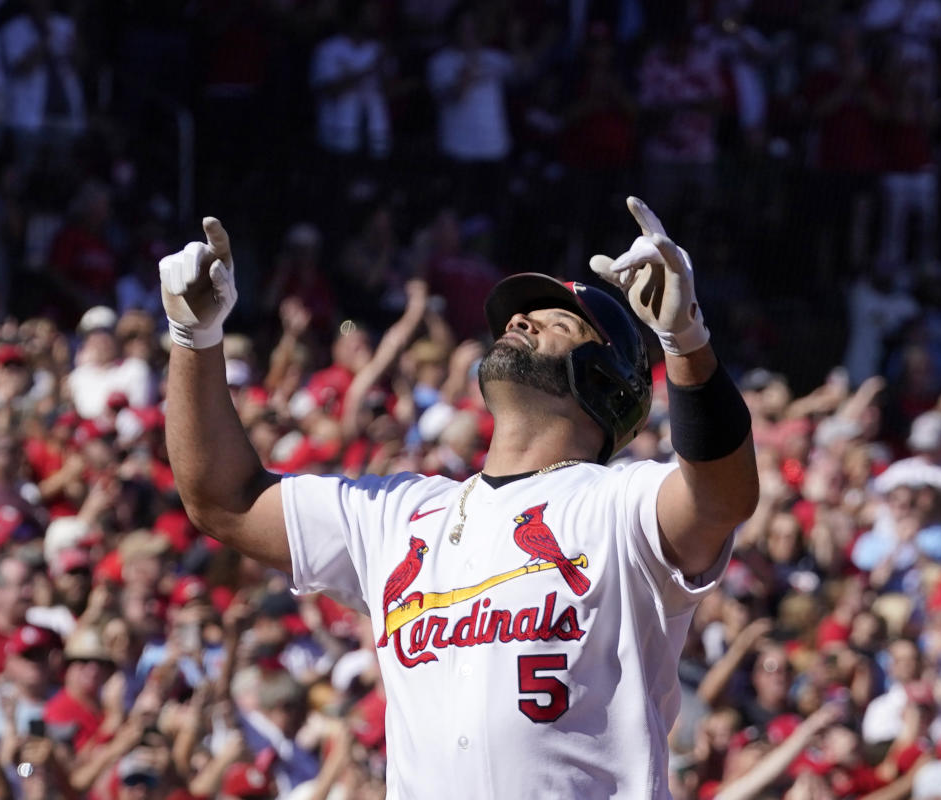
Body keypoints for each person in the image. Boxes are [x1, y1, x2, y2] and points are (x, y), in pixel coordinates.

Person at [158, 195, 758, 798]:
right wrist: (194, 335)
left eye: (558, 322)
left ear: (605, 380)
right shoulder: (397, 513)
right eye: (518, 318)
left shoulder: (619, 503)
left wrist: (685, 340)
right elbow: (222, 498)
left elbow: (721, 498)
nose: (521, 322)